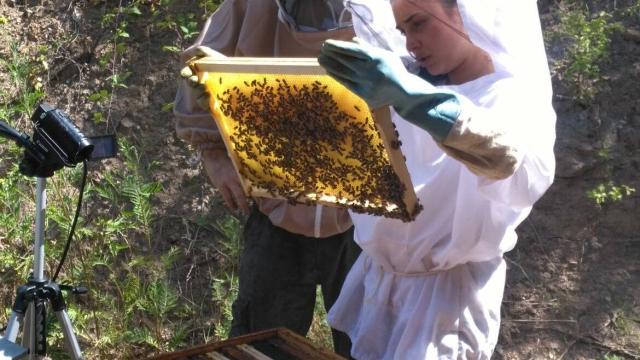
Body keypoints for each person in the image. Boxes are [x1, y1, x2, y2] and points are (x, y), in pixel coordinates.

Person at [317, 0, 556, 358]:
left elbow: (518, 164)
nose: (411, 43)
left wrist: (422, 104)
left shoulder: (509, 93)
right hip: (380, 283)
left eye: (418, 23)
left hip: (448, 302)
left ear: (466, 11)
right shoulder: (406, 77)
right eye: (403, 31)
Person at [173, 0, 361, 357]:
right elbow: (200, 67)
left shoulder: (385, 13)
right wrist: (214, 155)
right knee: (260, 343)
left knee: (367, 345)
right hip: (275, 206)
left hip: (363, 222)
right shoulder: (249, 7)